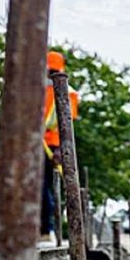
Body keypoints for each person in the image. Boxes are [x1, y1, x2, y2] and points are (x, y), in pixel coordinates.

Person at [41, 51, 78, 240]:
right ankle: (45, 230)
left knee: (46, 187)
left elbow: (65, 123)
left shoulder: (65, 92)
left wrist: (57, 150)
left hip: (50, 148)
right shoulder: (38, 89)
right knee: (42, 187)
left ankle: (47, 230)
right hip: (41, 145)